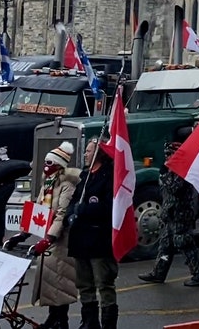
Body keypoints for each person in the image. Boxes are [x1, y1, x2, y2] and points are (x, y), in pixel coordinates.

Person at [13, 141, 81, 329]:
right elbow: (39, 210)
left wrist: (49, 237)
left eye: (50, 163)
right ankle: (54, 318)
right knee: (50, 282)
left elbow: (61, 213)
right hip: (48, 239)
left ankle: (61, 320)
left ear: (59, 165)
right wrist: (22, 234)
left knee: (61, 281)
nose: (46, 166)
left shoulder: (67, 185)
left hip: (61, 240)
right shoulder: (48, 182)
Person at [138, 141, 199, 287]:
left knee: (184, 243)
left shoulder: (182, 169)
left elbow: (175, 187)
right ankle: (159, 272)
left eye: (170, 154)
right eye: (166, 154)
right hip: (170, 213)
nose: (167, 157)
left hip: (180, 213)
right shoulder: (171, 169)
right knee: (165, 245)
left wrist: (164, 174)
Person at [67, 138, 119, 329]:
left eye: (89, 151)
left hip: (99, 239)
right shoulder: (85, 176)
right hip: (81, 239)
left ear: (99, 153)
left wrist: (85, 210)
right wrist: (71, 213)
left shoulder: (109, 176)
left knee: (103, 283)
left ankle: (108, 323)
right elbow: (74, 200)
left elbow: (109, 207)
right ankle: (89, 321)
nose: (86, 154)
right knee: (84, 284)